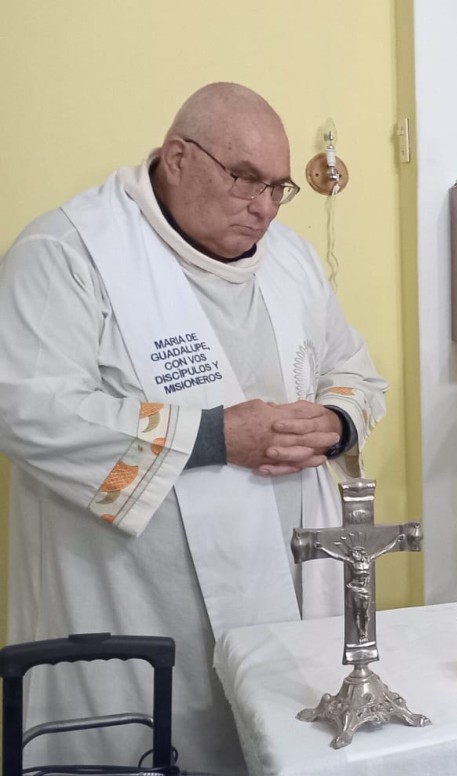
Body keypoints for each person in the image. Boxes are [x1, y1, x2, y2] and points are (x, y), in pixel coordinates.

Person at [0, 82, 388, 773]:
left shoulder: (291, 260)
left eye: (278, 187)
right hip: (139, 600)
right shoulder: (68, 252)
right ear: (178, 157)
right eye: (244, 179)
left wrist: (335, 422)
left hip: (287, 587)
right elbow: (30, 411)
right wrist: (214, 436)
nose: (264, 206)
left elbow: (353, 369)